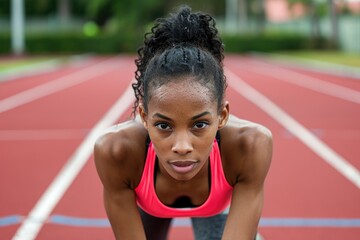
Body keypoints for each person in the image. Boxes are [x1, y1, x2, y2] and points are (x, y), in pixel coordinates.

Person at [94, 5, 272, 240]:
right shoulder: (116, 152)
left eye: (199, 125)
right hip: (147, 204)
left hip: (216, 207)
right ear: (144, 117)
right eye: (164, 126)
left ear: (222, 116)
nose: (182, 146)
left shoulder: (249, 146)